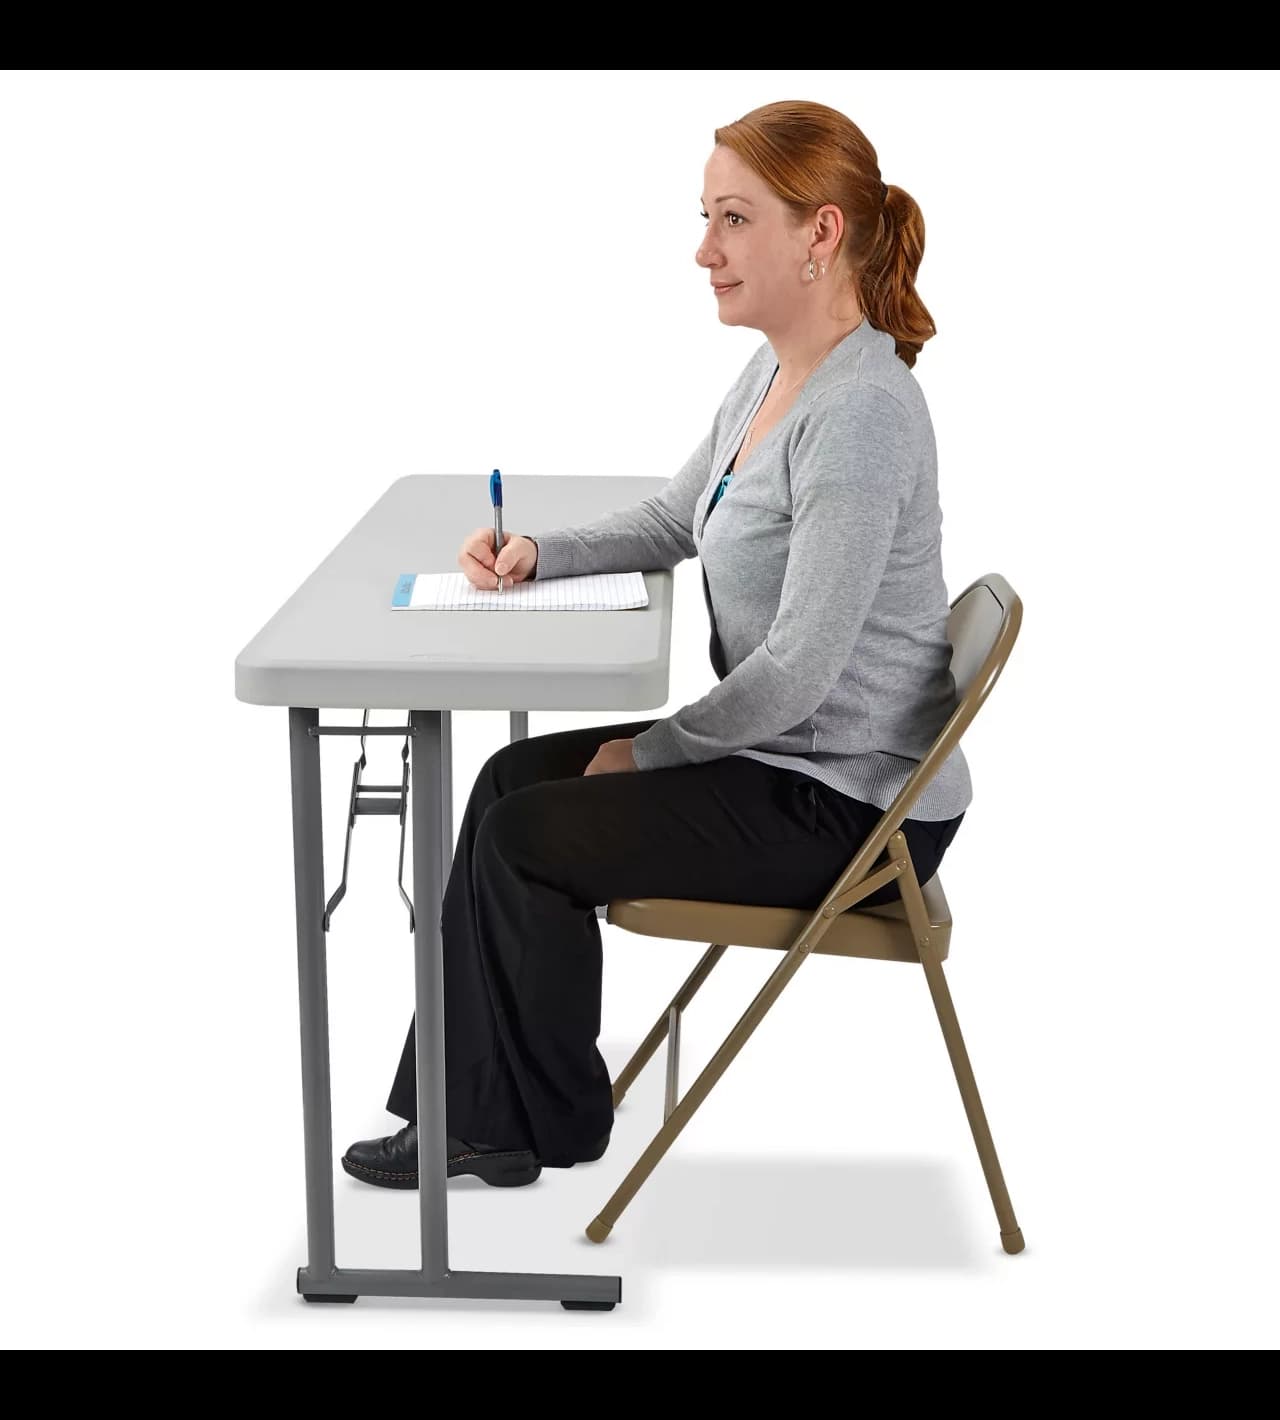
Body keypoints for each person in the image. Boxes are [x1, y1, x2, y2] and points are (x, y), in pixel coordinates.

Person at [342, 99, 971, 1192]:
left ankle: (546, 1120)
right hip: (793, 758)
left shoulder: (860, 412)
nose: (703, 249)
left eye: (732, 219)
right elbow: (678, 518)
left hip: (852, 805)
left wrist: (659, 750)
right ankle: (471, 1112)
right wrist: (538, 551)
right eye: (705, 216)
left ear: (818, 234)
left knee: (526, 836)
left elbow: (799, 670)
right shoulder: (777, 373)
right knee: (503, 781)